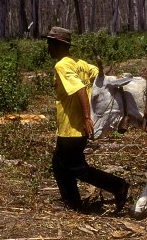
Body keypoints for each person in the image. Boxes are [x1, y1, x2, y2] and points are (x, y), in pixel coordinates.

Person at [46, 26, 129, 212]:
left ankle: (118, 186)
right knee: (59, 165)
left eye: (49, 44)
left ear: (57, 44)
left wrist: (85, 117)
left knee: (77, 168)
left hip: (74, 126)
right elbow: (101, 75)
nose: (47, 48)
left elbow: (79, 90)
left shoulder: (62, 65)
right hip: (73, 127)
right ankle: (73, 203)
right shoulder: (81, 63)